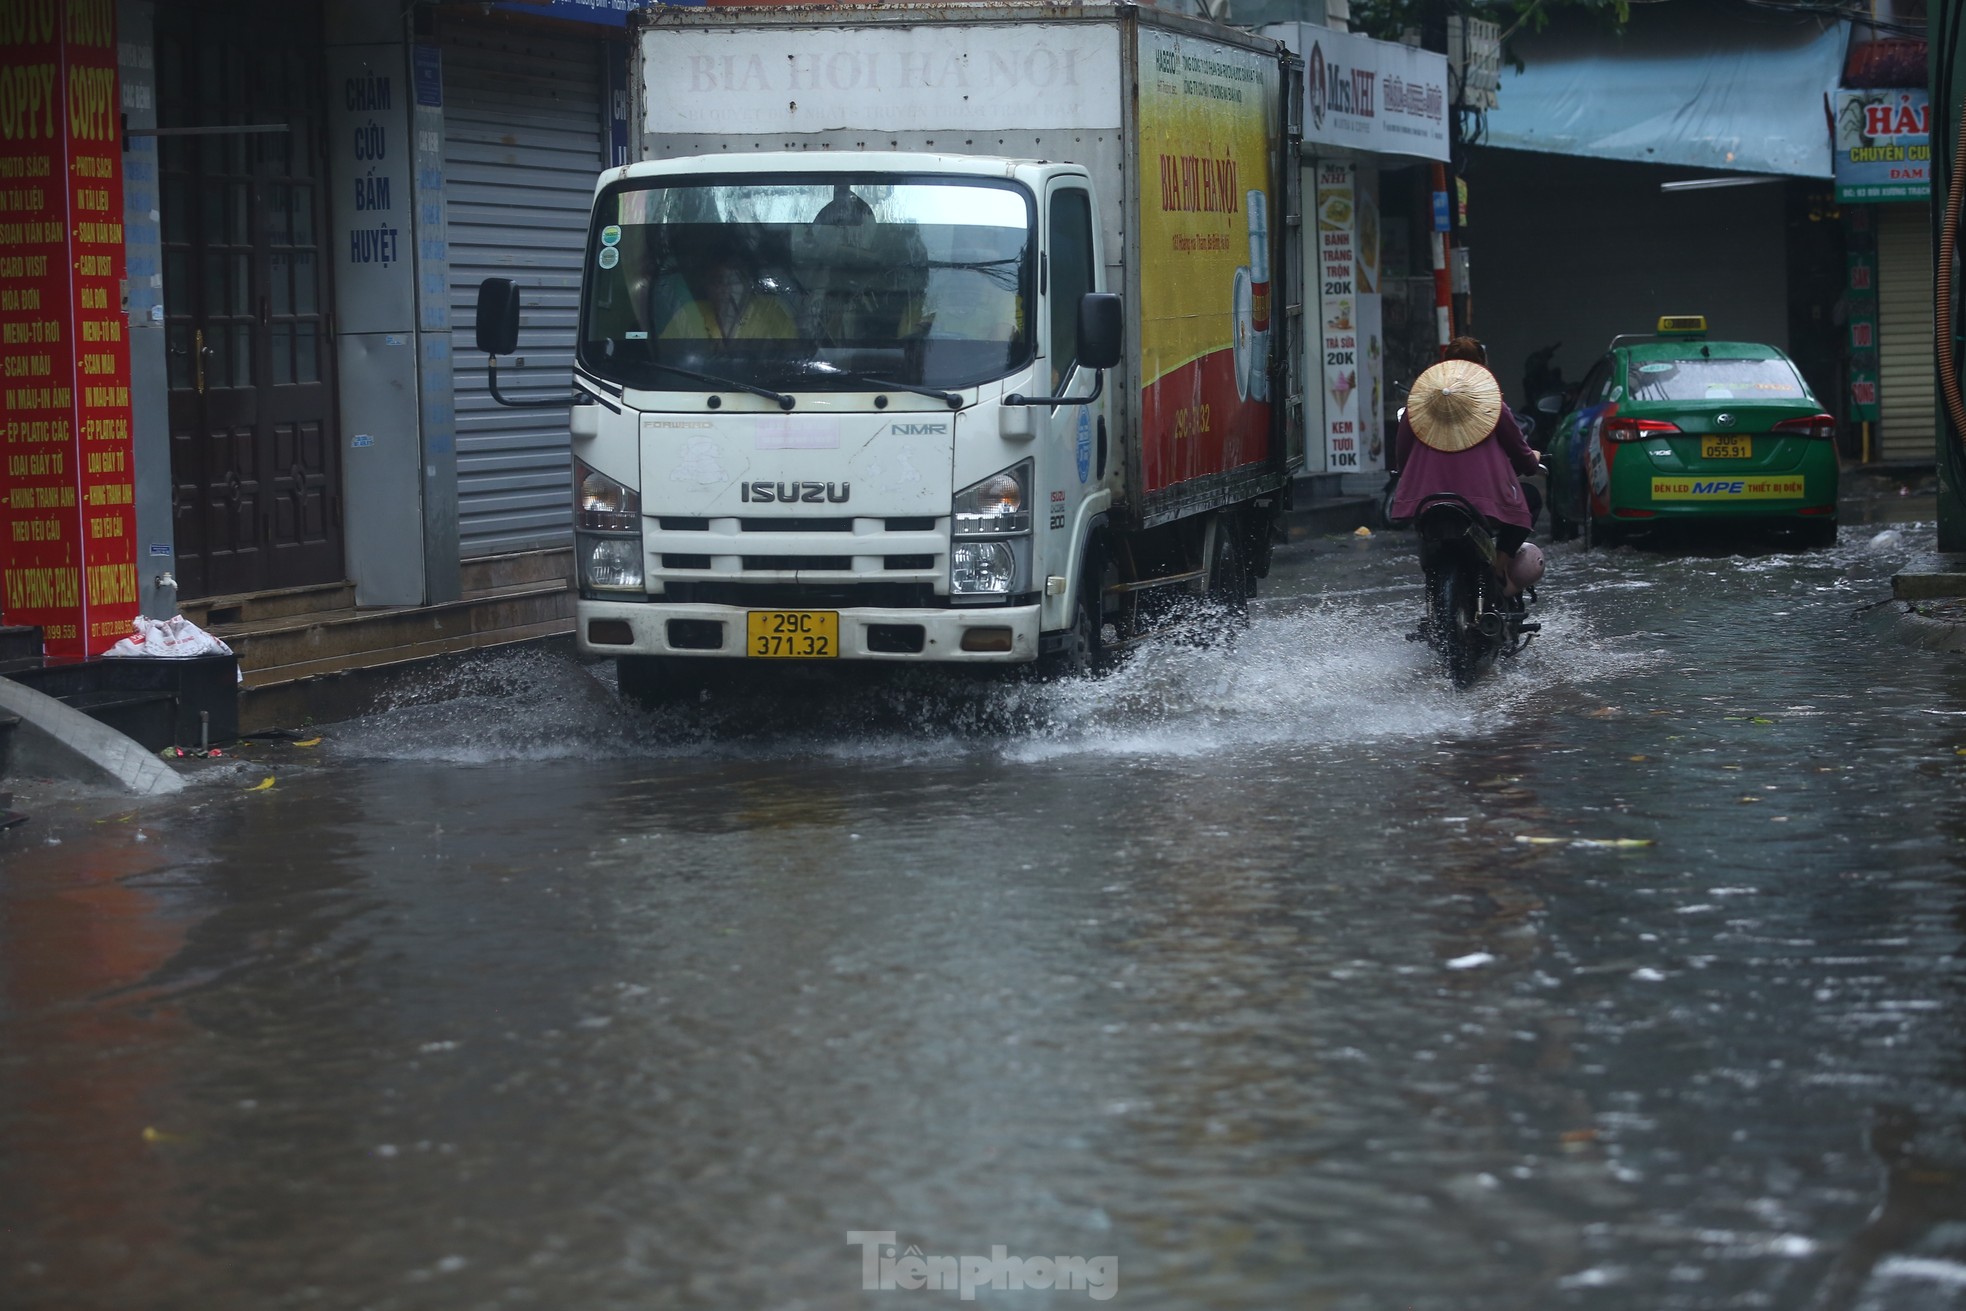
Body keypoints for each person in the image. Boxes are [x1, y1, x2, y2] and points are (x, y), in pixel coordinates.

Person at [1391, 336, 1545, 596]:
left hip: (1428, 501)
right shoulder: (1494, 406)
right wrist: (1533, 460)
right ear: (1482, 368)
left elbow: (1402, 456)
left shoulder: (1416, 406)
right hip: (1484, 502)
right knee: (1529, 501)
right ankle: (1500, 565)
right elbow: (1521, 455)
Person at [656, 242, 796, 342]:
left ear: (748, 283)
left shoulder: (772, 312)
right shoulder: (689, 313)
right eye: (717, 281)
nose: (726, 288)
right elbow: (663, 358)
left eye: (734, 280)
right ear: (706, 286)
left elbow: (792, 360)